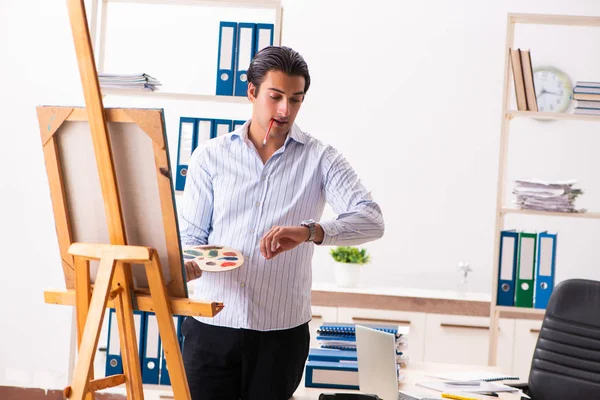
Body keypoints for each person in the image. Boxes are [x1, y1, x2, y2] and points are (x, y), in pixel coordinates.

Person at [178, 45, 384, 400]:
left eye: (296, 99)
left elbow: (372, 219)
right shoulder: (209, 157)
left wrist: (311, 232)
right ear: (252, 91)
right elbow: (193, 237)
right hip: (210, 329)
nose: (285, 109)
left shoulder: (321, 159)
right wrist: (188, 265)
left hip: (280, 336)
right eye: (275, 97)